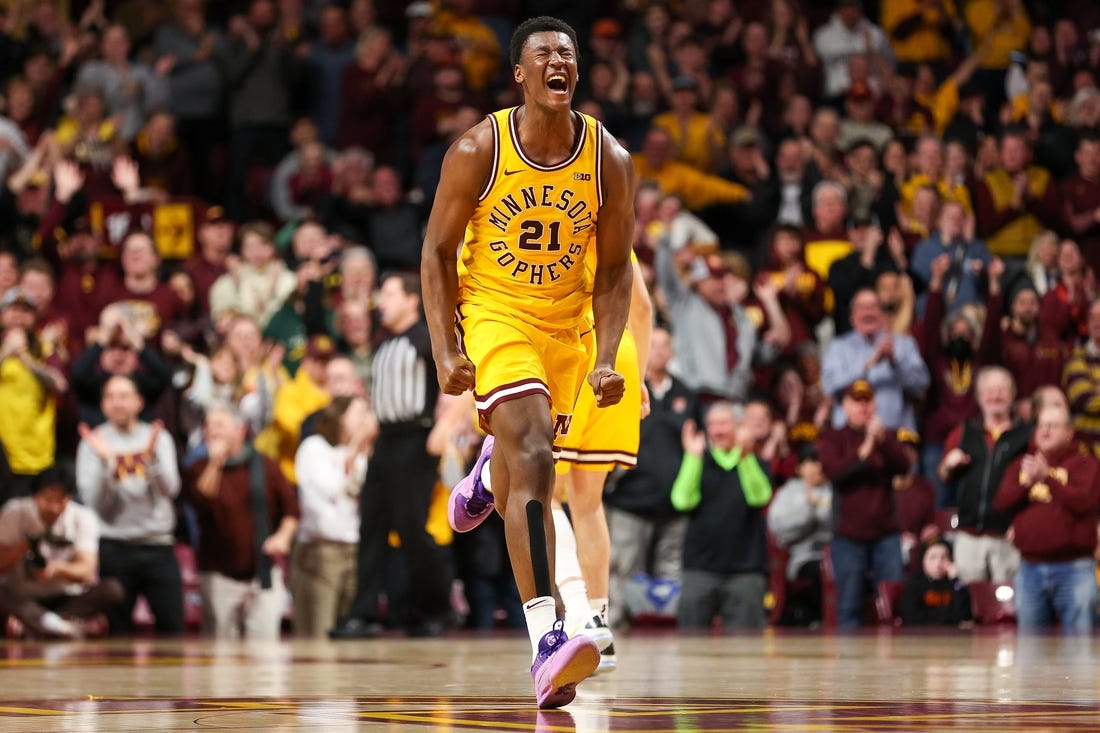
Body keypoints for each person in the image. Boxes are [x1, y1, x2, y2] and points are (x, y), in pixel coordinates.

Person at [420, 16, 635, 709]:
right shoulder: (479, 147)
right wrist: (445, 347)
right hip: (496, 312)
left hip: (567, 324)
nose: (557, 62)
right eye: (543, 52)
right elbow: (435, 252)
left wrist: (606, 356)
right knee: (540, 460)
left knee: (523, 464)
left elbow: (615, 269)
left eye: (567, 54)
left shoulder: (610, 159)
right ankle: (547, 639)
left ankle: (488, 473)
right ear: (519, 73)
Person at [329, 273, 452, 639]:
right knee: (371, 528)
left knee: (412, 529)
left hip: (416, 439)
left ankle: (436, 609)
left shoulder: (426, 337)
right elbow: (379, 408)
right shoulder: (383, 345)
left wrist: (444, 427)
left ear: (412, 299)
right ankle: (364, 614)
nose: (381, 301)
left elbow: (463, 380)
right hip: (385, 442)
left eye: (389, 294)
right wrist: (356, 446)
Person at [550, 253, 652, 673]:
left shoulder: (559, 222)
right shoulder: (611, 230)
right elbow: (642, 306)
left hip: (570, 350)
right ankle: (601, 626)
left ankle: (579, 614)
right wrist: (640, 377)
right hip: (619, 356)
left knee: (541, 495)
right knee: (588, 503)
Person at [76, 375, 183, 635]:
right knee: (117, 637)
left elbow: (172, 489)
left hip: (158, 545)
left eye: (124, 396)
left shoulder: (159, 438)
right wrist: (105, 466)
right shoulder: (93, 443)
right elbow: (95, 505)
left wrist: (153, 459)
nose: (118, 403)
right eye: (111, 397)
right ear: (102, 405)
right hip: (115, 548)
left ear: (139, 402)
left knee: (172, 631)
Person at [603, 326, 695, 629]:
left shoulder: (685, 395)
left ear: (672, 352)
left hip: (673, 504)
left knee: (672, 568)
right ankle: (616, 625)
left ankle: (667, 628)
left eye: (663, 346)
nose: (657, 351)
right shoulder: (626, 388)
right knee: (623, 568)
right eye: (652, 344)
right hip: (629, 500)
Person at [184, 403, 299, 639]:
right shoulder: (198, 468)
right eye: (207, 425)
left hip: (263, 572)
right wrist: (215, 463)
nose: (211, 431)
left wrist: (282, 537)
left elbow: (292, 510)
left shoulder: (266, 466)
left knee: (267, 653)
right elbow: (201, 502)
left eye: (219, 425)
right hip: (218, 575)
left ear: (240, 430)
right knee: (220, 662)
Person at [993, 401, 1100, 632]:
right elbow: (1000, 502)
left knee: (1080, 650)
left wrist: (1047, 478)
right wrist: (1027, 483)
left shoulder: (1085, 464)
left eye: (1053, 425)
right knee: (1031, 654)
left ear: (1069, 432)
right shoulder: (1022, 465)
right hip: (1029, 568)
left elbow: (1085, 501)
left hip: (1075, 568)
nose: (1045, 431)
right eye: (1041, 425)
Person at [672, 402, 772, 630]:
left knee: (746, 652)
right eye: (712, 425)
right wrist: (692, 458)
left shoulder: (754, 462)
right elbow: (681, 501)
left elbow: (760, 497)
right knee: (691, 649)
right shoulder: (698, 460)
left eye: (723, 424)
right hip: (699, 570)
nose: (717, 431)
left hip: (745, 573)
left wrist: (746, 456)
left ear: (739, 427)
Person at [818, 379, 909, 628]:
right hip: (848, 535)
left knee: (892, 605)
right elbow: (835, 473)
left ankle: (891, 664)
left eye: (867, 401)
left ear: (875, 404)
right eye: (856, 402)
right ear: (845, 406)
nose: (862, 407)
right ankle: (849, 666)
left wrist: (884, 443)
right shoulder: (833, 438)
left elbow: (904, 466)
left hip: (886, 534)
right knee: (849, 606)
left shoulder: (887, 436)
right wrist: (866, 448)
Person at [0, 468, 124, 638]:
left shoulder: (83, 517)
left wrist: (57, 568)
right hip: (23, 597)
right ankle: (63, 627)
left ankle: (40, 626)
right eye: (47, 500)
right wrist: (24, 546)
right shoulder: (14, 513)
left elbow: (86, 571)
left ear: (71, 498)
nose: (53, 507)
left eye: (61, 500)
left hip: (64, 597)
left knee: (112, 589)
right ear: (34, 496)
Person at [291, 396, 375, 637]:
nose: (365, 420)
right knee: (318, 633)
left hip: (353, 550)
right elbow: (331, 488)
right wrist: (354, 451)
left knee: (348, 634)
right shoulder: (314, 448)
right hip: (320, 551)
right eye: (359, 413)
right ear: (340, 416)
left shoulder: (361, 454)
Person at [937, 367, 1030, 584]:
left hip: (1007, 536)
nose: (996, 396)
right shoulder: (963, 432)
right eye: (989, 390)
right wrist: (949, 465)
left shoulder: (1026, 434)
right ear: (979, 397)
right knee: (970, 605)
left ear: (1012, 394)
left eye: (1002, 390)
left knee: (1006, 608)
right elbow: (942, 475)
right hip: (969, 536)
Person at [767, 443, 832, 626]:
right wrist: (808, 510)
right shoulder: (789, 492)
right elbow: (777, 527)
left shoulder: (833, 489)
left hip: (835, 556)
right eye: (811, 463)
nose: (817, 468)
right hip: (802, 558)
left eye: (820, 463)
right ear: (799, 468)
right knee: (818, 572)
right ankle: (815, 620)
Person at [899, 539, 973, 627]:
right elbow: (911, 618)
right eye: (932, 557)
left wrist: (955, 581)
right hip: (921, 637)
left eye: (944, 557)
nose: (938, 564)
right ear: (923, 560)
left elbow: (965, 617)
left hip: (951, 637)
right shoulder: (914, 584)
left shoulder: (956, 584)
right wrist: (949, 619)